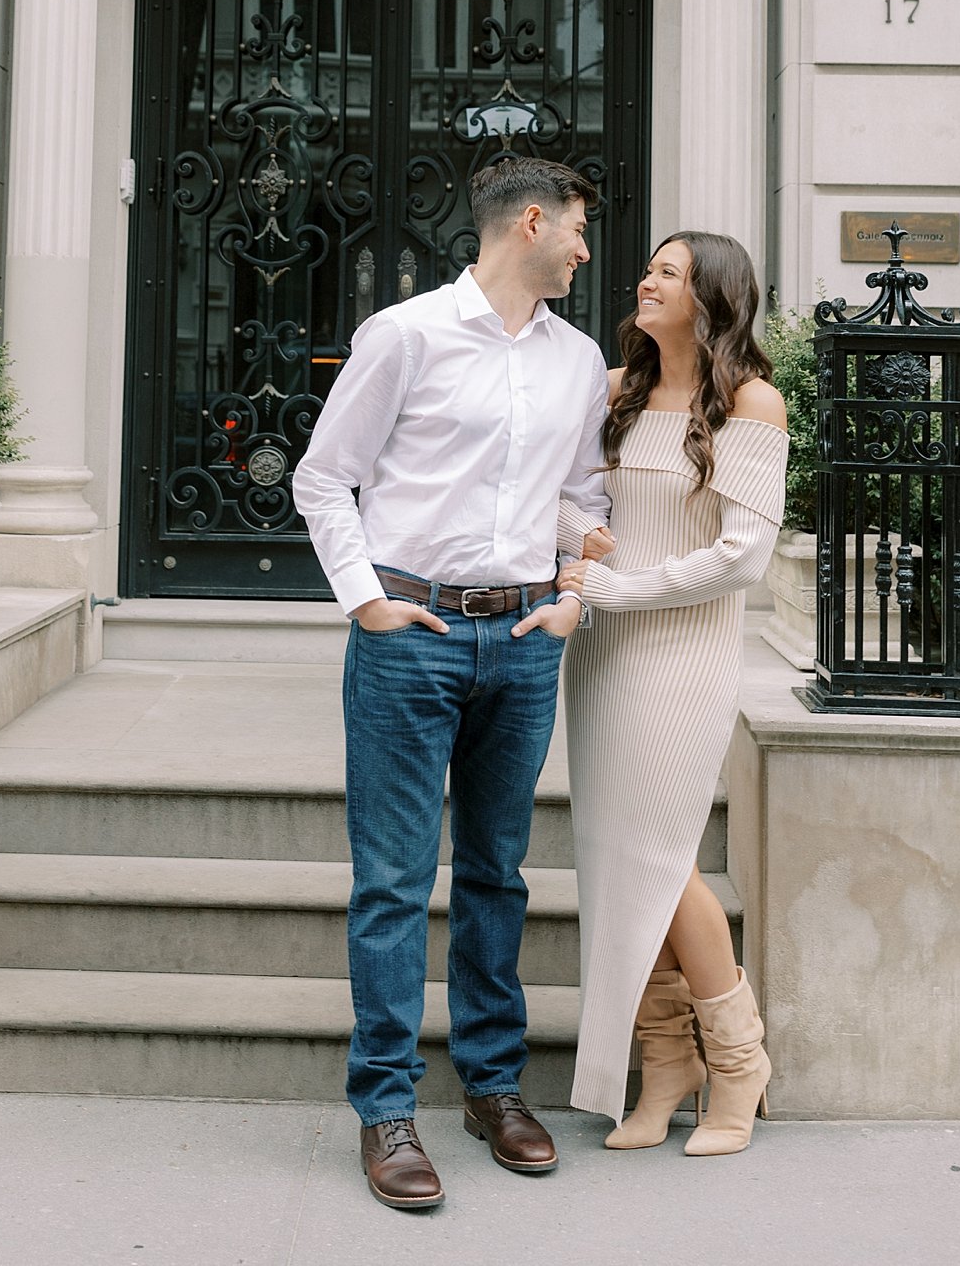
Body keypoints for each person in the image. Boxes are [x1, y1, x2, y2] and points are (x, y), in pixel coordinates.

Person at [292, 156, 612, 1213]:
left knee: (498, 872)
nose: (583, 248)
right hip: (412, 632)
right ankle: (387, 1107)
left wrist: (577, 584)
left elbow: (578, 495)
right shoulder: (406, 334)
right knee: (392, 880)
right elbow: (324, 474)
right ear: (531, 221)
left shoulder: (578, 360)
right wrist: (364, 600)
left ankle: (490, 1086)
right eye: (576, 229)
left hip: (523, 638)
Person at [554, 231, 789, 1157]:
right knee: (616, 859)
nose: (645, 280)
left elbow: (745, 555)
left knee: (659, 858)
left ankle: (737, 1061)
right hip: (604, 650)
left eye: (669, 272)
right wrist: (586, 539)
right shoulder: (614, 390)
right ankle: (665, 1064)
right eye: (648, 266)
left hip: (682, 652)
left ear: (712, 296)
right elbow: (570, 498)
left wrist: (623, 584)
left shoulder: (751, 403)